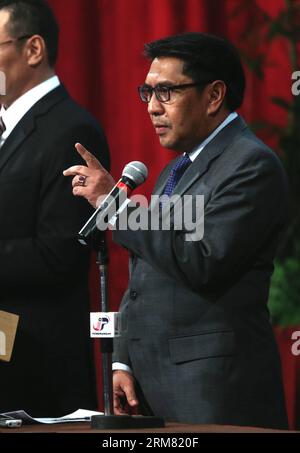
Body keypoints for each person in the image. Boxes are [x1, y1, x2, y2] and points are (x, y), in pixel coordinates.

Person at [64, 32, 288, 428]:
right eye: (147, 93)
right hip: (153, 388)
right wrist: (123, 359)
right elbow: (149, 269)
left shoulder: (250, 165)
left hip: (213, 392)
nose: (152, 108)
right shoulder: (177, 168)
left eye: (166, 92)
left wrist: (115, 207)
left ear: (214, 95)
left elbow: (202, 258)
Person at [0, 0, 110, 416]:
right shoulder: (7, 129)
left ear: (33, 50)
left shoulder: (69, 128)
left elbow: (61, 252)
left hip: (37, 370)